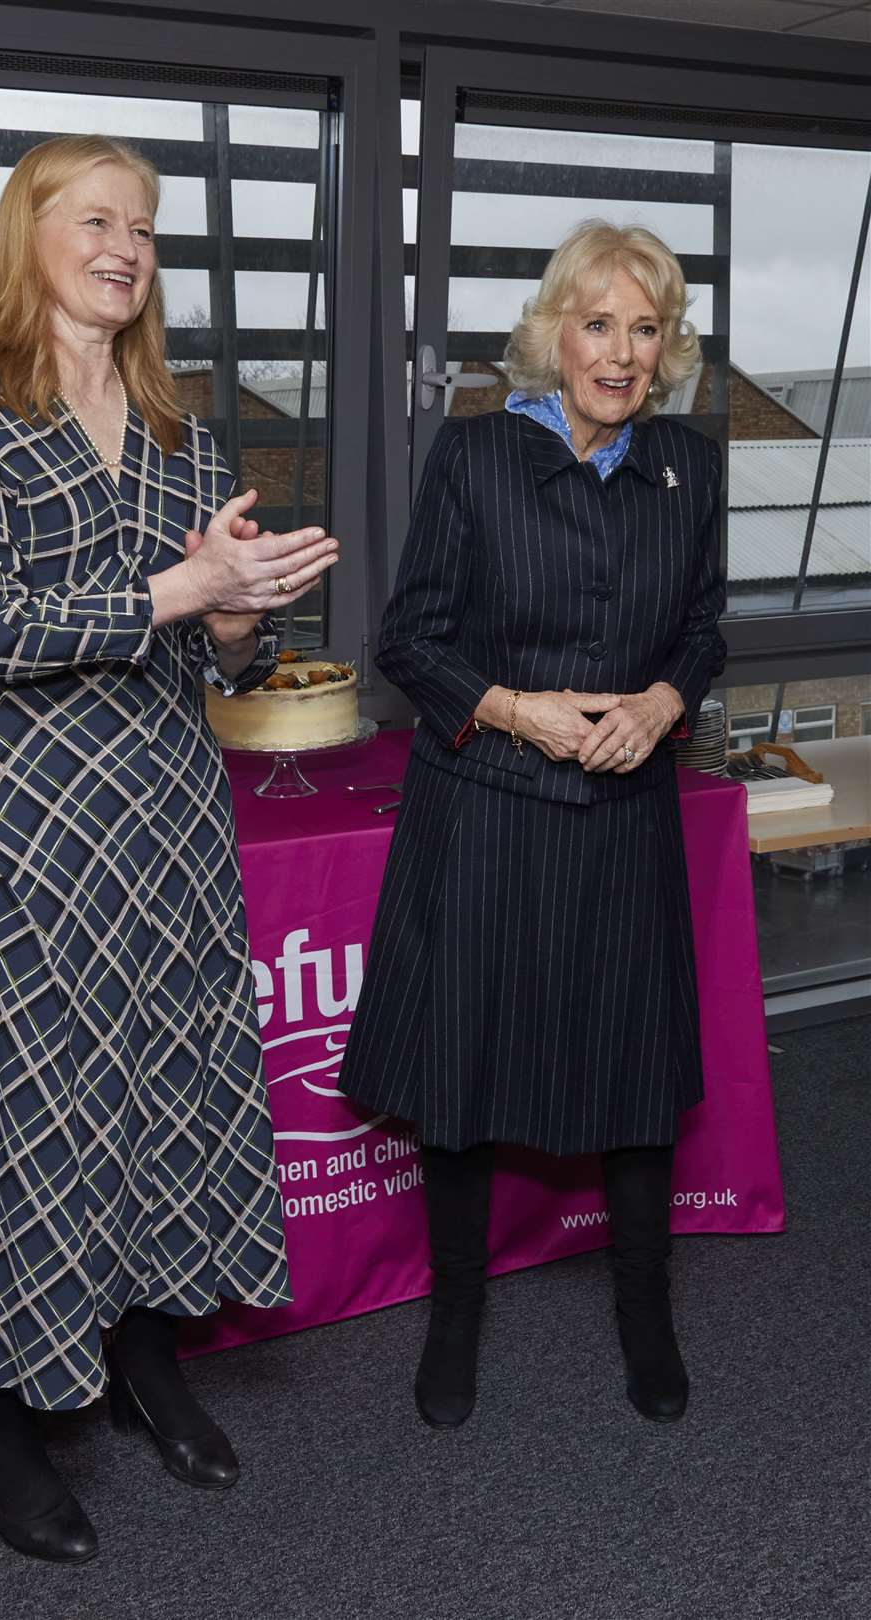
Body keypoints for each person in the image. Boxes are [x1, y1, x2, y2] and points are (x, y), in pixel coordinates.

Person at [0, 134, 338, 1563]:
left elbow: (224, 656)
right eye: (97, 218)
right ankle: (1, 1428)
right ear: (27, 235)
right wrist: (187, 584)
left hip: (161, 822)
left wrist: (235, 616)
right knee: (19, 1125)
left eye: (144, 226)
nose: (127, 245)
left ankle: (147, 1357)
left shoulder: (180, 427)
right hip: (26, 838)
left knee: (159, 1096)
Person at [339, 220, 725, 1434]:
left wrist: (666, 702)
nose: (620, 353)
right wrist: (516, 711)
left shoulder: (689, 466)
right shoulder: (473, 456)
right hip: (493, 807)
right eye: (598, 322)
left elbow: (704, 627)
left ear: (668, 351)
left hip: (625, 814)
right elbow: (408, 640)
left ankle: (645, 1307)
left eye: (645, 328)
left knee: (632, 1068)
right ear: (556, 330)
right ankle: (455, 1310)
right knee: (464, 1070)